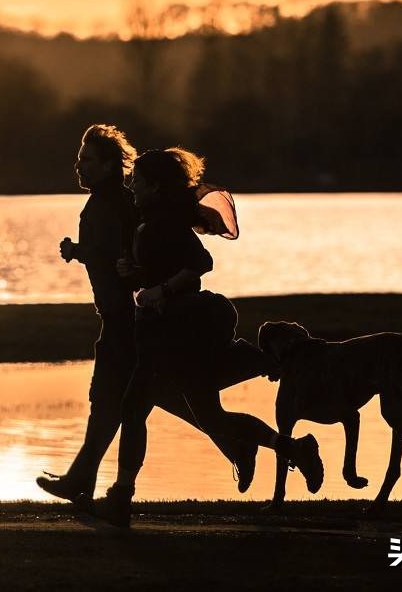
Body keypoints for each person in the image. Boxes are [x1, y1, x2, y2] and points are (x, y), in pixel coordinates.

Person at [92, 148, 324, 528]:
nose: (131, 186)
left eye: (137, 181)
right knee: (200, 415)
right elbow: (154, 274)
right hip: (161, 336)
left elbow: (201, 264)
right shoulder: (149, 221)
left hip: (177, 336)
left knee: (140, 410)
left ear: (154, 186)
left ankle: (120, 499)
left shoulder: (165, 223)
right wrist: (132, 273)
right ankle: (295, 447)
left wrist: (162, 291)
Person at [37, 126, 263, 506]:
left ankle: (94, 483)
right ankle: (86, 479)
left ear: (110, 166)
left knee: (122, 399)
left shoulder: (117, 204)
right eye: (80, 159)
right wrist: (81, 252)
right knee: (137, 398)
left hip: (128, 319)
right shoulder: (114, 202)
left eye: (88, 160)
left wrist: (136, 277)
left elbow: (134, 254)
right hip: (122, 316)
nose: (80, 166)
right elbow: (121, 253)